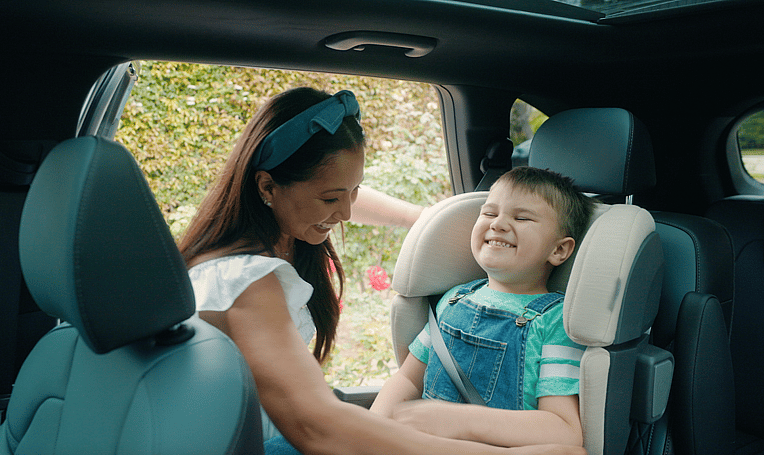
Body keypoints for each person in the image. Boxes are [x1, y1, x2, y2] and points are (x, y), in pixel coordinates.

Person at [179, 87, 584, 455]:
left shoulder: (284, 232)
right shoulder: (244, 280)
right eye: (332, 198)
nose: (347, 214)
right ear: (267, 187)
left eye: (354, 191)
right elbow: (316, 426)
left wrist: (427, 222)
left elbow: (332, 188)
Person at [370, 166, 596, 449]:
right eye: (489, 213)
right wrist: (373, 431)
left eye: (522, 217)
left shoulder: (554, 322)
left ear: (559, 250)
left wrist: (461, 421)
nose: (498, 224)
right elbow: (407, 379)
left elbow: (565, 432)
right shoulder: (453, 299)